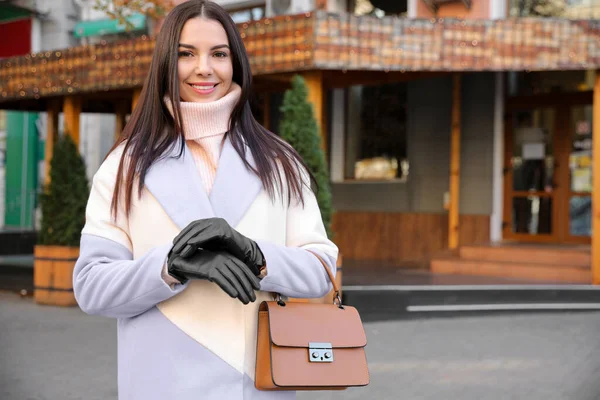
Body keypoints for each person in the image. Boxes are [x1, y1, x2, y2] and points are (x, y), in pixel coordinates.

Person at [72, 1, 338, 399]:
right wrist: (168, 268)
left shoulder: (279, 161)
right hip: (161, 385)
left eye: (219, 53)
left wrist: (256, 254)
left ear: (236, 63)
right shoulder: (125, 165)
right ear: (165, 62)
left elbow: (321, 268)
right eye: (186, 54)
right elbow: (91, 285)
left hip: (258, 385)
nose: (204, 68)